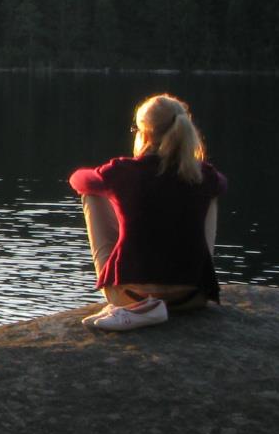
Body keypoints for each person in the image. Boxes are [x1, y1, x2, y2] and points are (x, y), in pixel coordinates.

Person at [68, 93, 226, 331]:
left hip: (129, 296)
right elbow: (223, 183)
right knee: (211, 193)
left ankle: (139, 304)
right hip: (193, 297)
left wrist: (108, 184)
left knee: (91, 193)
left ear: (146, 133)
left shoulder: (122, 171)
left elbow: (78, 180)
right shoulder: (204, 173)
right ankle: (195, 272)